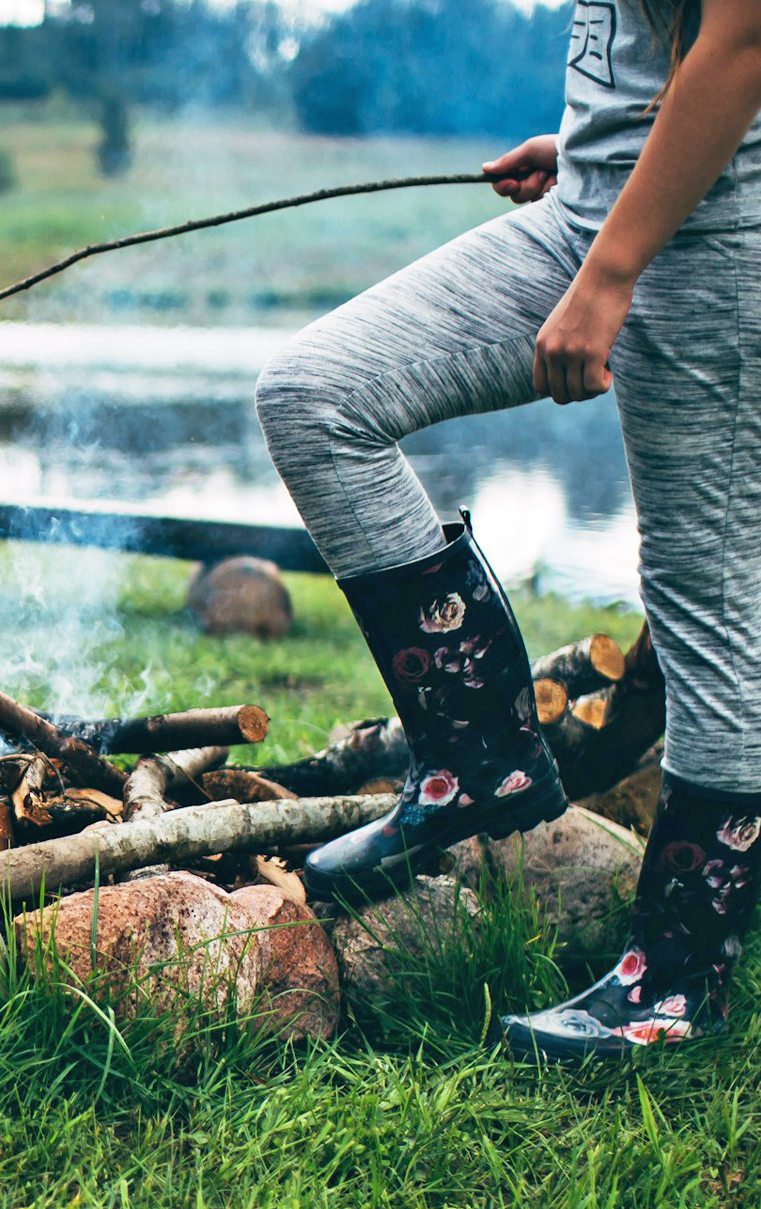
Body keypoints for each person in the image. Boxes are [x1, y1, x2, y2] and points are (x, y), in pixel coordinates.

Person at [254, 0, 761, 1060]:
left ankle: (676, 985)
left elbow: (746, 38)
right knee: (317, 395)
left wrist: (616, 268)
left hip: (711, 249)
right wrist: (597, 147)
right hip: (593, 210)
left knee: (706, 604)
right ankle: (477, 761)